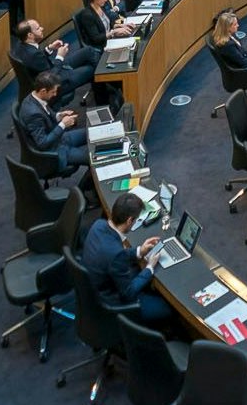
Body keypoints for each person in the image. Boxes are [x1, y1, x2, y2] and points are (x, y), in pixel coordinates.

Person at [79, 190, 175, 326]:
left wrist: (140, 251)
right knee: (167, 309)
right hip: (112, 304)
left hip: (95, 290)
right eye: (136, 219)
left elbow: (114, 254)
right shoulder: (115, 254)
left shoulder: (98, 225)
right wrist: (149, 268)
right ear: (130, 221)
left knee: (136, 270)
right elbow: (128, 293)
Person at [16, 71, 89, 167]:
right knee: (93, 158)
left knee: (91, 132)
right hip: (54, 151)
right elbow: (42, 143)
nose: (55, 94)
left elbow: (46, 115)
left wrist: (59, 116)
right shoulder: (33, 114)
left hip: (59, 138)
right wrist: (63, 125)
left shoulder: (34, 97)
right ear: (43, 91)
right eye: (53, 92)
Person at [11, 19, 98, 96]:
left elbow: (37, 61)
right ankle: (102, 95)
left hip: (51, 69)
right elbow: (51, 76)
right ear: (30, 35)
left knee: (88, 50)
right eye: (38, 28)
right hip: (55, 82)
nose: (42, 28)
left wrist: (49, 48)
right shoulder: (33, 54)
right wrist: (60, 56)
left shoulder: (21, 45)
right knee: (92, 69)